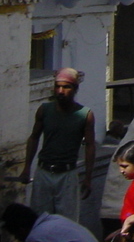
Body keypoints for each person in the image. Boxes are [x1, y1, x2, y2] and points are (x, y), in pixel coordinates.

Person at [14, 69, 95, 222]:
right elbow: (34, 138)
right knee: (39, 220)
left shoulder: (85, 115)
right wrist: (26, 168)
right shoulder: (45, 110)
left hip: (67, 174)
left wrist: (88, 178)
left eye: (66, 87)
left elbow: (90, 146)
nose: (61, 91)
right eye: (58, 86)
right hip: (44, 172)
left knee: (67, 222)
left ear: (75, 89)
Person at [1, 203, 100, 242]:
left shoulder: (37, 238)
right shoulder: (54, 219)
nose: (16, 239)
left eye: (15, 235)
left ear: (21, 230)